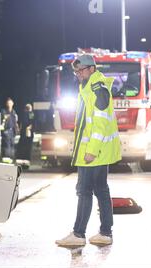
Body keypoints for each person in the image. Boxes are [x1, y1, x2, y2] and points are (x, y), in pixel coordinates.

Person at [56, 54, 121, 247]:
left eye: (81, 70)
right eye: (76, 71)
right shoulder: (89, 86)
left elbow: (99, 124)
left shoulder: (97, 89)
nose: (78, 74)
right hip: (97, 151)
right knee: (101, 190)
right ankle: (105, 233)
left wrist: (91, 150)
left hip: (93, 152)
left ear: (92, 68)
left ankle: (78, 234)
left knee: (84, 191)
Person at [0, 98, 19, 164]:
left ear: (12, 104)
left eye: (10, 103)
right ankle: (6, 157)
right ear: (6, 104)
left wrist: (16, 129)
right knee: (7, 144)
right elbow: (2, 120)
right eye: (8, 103)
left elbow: (15, 121)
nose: (9, 104)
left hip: (12, 131)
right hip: (6, 130)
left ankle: (11, 157)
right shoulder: (3, 111)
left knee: (12, 144)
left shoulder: (13, 112)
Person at [16, 103, 35, 168]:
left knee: (22, 147)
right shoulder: (31, 114)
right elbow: (32, 123)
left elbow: (22, 124)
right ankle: (26, 162)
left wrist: (20, 130)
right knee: (27, 147)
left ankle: (22, 161)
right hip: (28, 133)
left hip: (24, 133)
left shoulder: (24, 114)